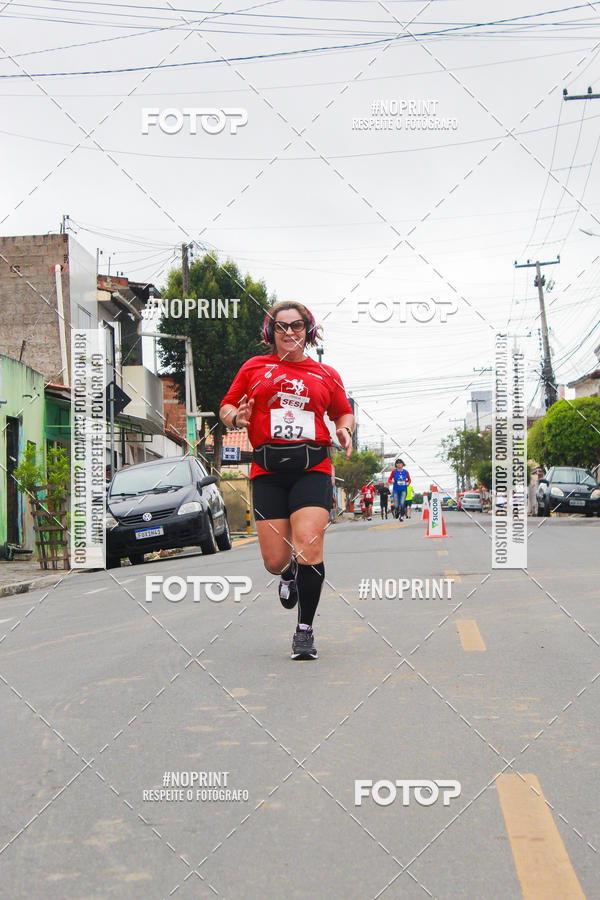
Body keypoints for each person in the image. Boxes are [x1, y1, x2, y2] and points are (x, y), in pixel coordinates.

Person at [220, 301, 354, 660]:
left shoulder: (326, 374)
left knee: (309, 543)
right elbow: (227, 406)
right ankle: (289, 572)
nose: (289, 332)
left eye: (297, 326)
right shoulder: (254, 368)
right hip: (268, 473)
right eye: (281, 327)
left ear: (308, 331)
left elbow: (343, 411)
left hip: (313, 467)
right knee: (275, 560)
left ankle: (305, 630)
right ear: (271, 333)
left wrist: (343, 429)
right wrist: (237, 418)